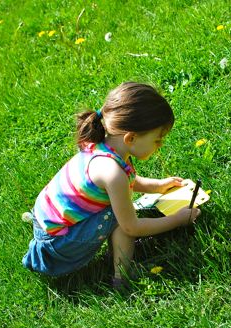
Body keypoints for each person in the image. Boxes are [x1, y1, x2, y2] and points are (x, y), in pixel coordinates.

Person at [22, 82, 201, 289]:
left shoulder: (103, 146)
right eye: (157, 140)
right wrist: (177, 220)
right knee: (120, 217)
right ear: (131, 138)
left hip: (47, 225)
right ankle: (122, 278)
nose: (160, 146)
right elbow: (131, 226)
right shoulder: (112, 173)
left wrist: (158, 186)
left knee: (119, 208)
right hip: (58, 245)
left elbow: (128, 181)